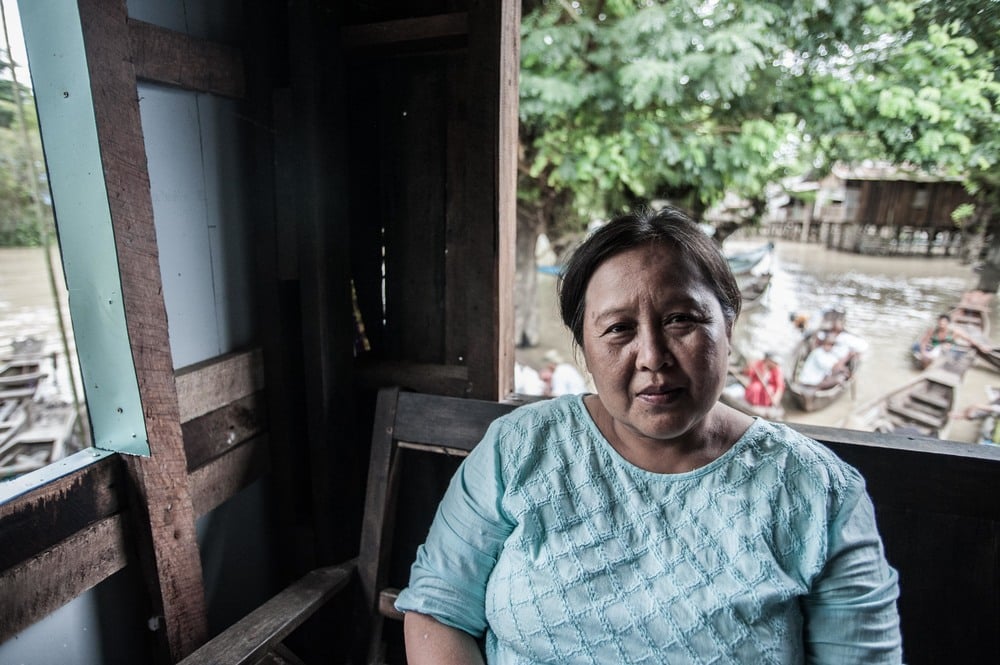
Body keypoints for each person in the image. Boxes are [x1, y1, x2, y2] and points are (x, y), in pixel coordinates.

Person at [395, 206, 901, 664]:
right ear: (584, 348)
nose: (653, 357)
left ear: (728, 326)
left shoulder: (818, 490)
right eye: (618, 329)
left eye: (681, 319)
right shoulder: (518, 449)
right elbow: (439, 610)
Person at [914, 313, 982, 369]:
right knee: (916, 346)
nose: (942, 323)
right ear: (938, 322)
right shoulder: (932, 330)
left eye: (944, 322)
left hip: (949, 350)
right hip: (934, 348)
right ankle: (927, 363)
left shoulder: (954, 331)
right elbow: (924, 342)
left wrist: (979, 346)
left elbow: (969, 339)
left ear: (948, 323)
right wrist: (924, 353)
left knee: (958, 355)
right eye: (940, 322)